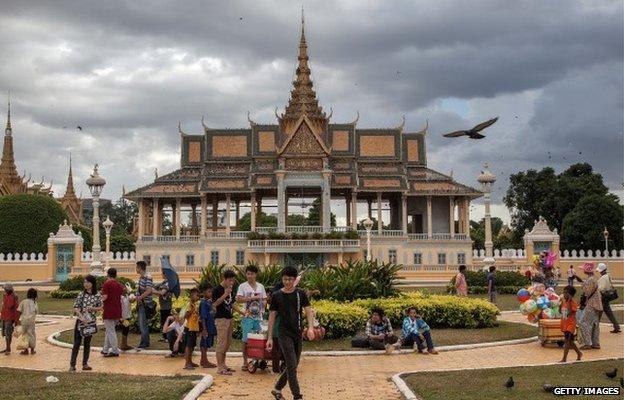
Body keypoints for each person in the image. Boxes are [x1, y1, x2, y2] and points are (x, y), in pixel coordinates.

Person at [266, 266, 315, 400]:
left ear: (295, 280)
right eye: (285, 279)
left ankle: (277, 388)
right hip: (283, 334)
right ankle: (297, 396)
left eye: (290, 279)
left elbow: (308, 310)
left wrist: (310, 328)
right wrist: (269, 338)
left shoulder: (300, 294)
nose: (287, 282)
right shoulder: (277, 295)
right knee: (292, 366)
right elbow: (272, 317)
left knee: (292, 365)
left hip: (297, 334)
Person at [236, 264, 267, 370]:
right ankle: (245, 362)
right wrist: (251, 298)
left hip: (259, 317)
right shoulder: (242, 286)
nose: (249, 276)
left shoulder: (261, 286)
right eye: (248, 274)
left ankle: (258, 359)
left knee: (259, 339)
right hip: (247, 316)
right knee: (246, 340)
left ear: (256, 275)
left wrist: (263, 304)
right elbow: (238, 299)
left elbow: (264, 299)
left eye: (252, 274)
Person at [70, 275, 102, 371]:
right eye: (85, 282)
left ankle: (85, 363)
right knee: (77, 343)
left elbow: (101, 307)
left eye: (88, 282)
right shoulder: (81, 294)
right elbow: (76, 307)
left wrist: (92, 308)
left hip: (90, 322)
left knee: (87, 343)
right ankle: (72, 364)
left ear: (92, 284)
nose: (86, 284)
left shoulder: (97, 295)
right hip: (81, 322)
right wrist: (81, 317)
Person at [212, 269, 237, 375]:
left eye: (233, 281)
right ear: (224, 279)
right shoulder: (217, 289)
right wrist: (225, 294)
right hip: (221, 318)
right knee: (221, 343)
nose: (232, 283)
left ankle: (224, 364)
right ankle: (220, 368)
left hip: (229, 318)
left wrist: (243, 312)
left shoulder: (230, 289)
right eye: (230, 280)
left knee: (227, 343)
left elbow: (231, 304)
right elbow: (214, 304)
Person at [101, 267, 125, 357]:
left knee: (110, 331)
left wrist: (100, 300)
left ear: (108, 274)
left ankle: (115, 350)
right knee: (109, 330)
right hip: (117, 310)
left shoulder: (106, 284)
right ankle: (105, 349)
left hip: (109, 310)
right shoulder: (119, 285)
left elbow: (105, 297)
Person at [578, 263, 602, 350]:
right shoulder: (593, 279)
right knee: (595, 324)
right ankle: (596, 343)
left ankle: (587, 343)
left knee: (582, 322)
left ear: (586, 270)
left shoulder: (590, 280)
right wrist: (583, 282)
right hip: (597, 304)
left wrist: (583, 285)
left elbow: (587, 292)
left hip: (592, 304)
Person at [132, 260, 154, 349]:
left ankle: (144, 343)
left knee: (143, 324)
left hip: (145, 304)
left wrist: (139, 298)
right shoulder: (142, 277)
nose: (136, 269)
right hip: (141, 303)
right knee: (143, 324)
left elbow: (149, 290)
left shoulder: (147, 277)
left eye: (137, 267)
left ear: (140, 268)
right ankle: (145, 341)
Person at [559, 285, 582, 363]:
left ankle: (564, 358)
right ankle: (579, 353)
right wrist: (560, 303)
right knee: (571, 342)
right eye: (563, 292)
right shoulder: (563, 302)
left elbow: (569, 313)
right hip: (564, 324)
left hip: (570, 325)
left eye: (566, 293)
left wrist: (569, 301)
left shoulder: (573, 303)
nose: (564, 294)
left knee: (567, 341)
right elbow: (560, 311)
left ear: (570, 295)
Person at [597, 263, 620, 333]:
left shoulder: (603, 278)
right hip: (606, 297)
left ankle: (595, 328)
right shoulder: (608, 276)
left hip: (602, 297)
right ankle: (616, 327)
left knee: (598, 314)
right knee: (609, 313)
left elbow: (601, 288)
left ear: (602, 271)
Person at [16, 288, 38, 355]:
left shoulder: (23, 302)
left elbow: (19, 311)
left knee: (24, 335)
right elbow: (36, 312)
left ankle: (25, 350)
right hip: (31, 322)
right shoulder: (35, 303)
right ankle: (32, 350)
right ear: (35, 296)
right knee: (32, 335)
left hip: (24, 321)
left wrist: (17, 320)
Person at [183, 288, 201, 370]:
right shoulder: (189, 305)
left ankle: (190, 361)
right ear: (192, 295)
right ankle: (187, 363)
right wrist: (191, 311)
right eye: (196, 295)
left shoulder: (194, 305)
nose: (198, 297)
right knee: (188, 346)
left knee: (192, 346)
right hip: (189, 328)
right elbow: (186, 316)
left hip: (194, 328)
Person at [199, 286, 217, 368]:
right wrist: (204, 329)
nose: (211, 293)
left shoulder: (209, 302)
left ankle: (203, 360)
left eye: (211, 292)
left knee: (207, 344)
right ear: (204, 293)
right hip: (206, 326)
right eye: (209, 291)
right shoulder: (203, 303)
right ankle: (204, 361)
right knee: (204, 344)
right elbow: (203, 317)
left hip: (211, 326)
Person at [155, 269, 173, 342]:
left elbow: (162, 293)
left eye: (162, 273)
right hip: (163, 305)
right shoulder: (163, 283)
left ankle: (168, 337)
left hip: (167, 305)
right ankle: (164, 336)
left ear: (165, 275)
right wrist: (155, 289)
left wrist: (153, 291)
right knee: (163, 321)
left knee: (167, 321)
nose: (161, 275)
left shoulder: (168, 283)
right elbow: (156, 287)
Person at [1, 283, 18, 355]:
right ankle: (7, 347)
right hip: (4, 316)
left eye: (5, 289)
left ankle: (8, 349)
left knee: (8, 334)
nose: (4, 290)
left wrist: (16, 320)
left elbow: (15, 308)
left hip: (10, 317)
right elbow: (3, 306)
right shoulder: (5, 295)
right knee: (5, 333)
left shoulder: (14, 296)